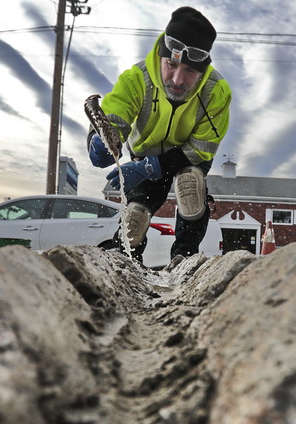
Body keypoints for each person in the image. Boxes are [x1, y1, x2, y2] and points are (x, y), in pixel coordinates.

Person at [87, 6, 231, 262]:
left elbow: (202, 148)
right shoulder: (136, 80)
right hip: (145, 153)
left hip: (188, 156)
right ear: (160, 56)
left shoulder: (215, 92)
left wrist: (157, 167)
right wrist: (101, 139)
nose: (177, 80)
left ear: (202, 71)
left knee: (190, 185)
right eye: (172, 64)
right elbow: (113, 117)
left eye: (190, 71)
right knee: (136, 214)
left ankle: (184, 256)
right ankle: (128, 258)